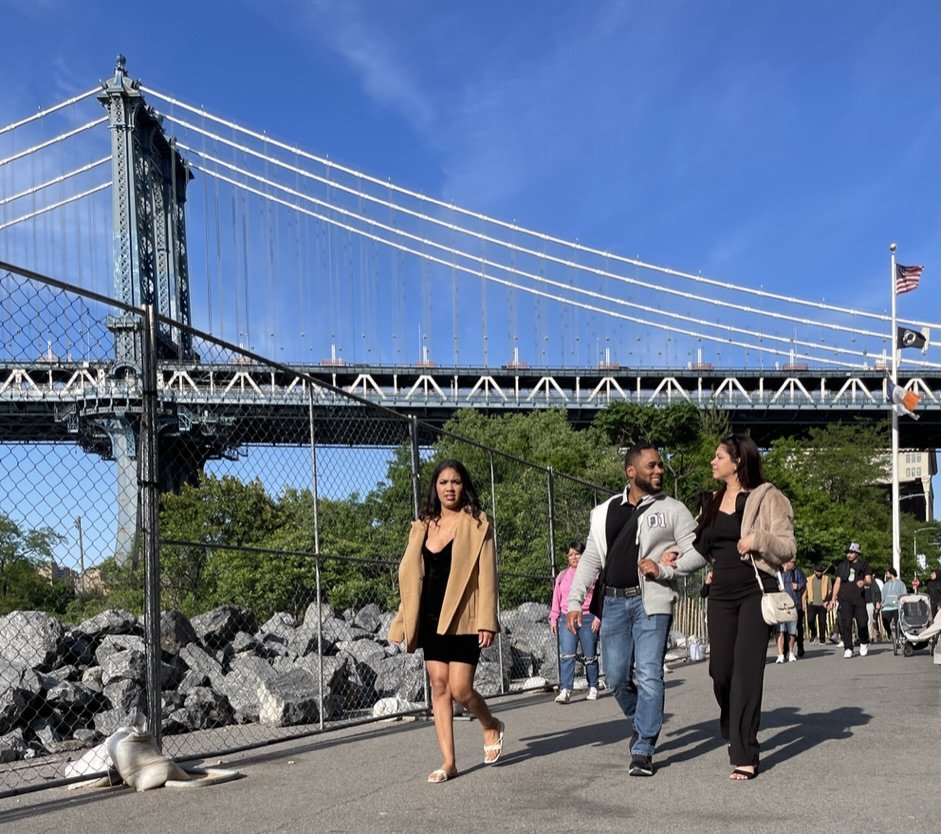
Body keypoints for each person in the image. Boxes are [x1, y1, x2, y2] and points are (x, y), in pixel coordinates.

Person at [656, 433, 796, 781]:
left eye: (719, 456)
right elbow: (701, 550)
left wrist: (757, 540)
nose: (712, 462)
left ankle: (745, 751)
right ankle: (733, 722)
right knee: (720, 672)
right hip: (720, 595)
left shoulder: (767, 497)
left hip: (754, 590)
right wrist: (670, 563)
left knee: (747, 672)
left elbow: (788, 549)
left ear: (737, 461)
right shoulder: (715, 501)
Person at [566, 443, 699, 777]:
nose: (659, 471)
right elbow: (592, 560)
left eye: (660, 466)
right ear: (631, 472)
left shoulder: (673, 509)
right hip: (611, 603)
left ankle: (644, 748)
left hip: (650, 602)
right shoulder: (604, 512)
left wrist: (665, 568)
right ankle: (642, 721)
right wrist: (573, 602)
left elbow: (697, 553)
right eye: (651, 466)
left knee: (649, 672)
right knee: (614, 676)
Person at [387, 459, 505, 783]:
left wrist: (487, 620)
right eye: (443, 483)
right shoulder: (423, 525)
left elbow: (487, 576)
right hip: (429, 617)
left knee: (461, 688)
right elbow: (412, 580)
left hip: (465, 616)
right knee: (439, 686)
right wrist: (401, 623)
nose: (449, 488)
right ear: (435, 488)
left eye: (455, 482)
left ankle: (490, 724)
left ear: (463, 486)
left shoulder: (479, 523)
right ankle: (448, 762)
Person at [549, 540, 600, 703]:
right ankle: (565, 689)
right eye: (570, 554)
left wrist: (598, 617)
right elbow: (556, 598)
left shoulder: (594, 574)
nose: (574, 557)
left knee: (590, 655)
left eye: (577, 554)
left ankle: (593, 686)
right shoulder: (562, 576)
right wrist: (553, 617)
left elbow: (600, 597)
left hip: (587, 617)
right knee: (567, 655)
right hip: (566, 617)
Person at [828, 543, 873, 658]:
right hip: (845, 598)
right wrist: (833, 598)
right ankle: (848, 647)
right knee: (846, 624)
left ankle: (863, 642)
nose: (849, 555)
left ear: (857, 553)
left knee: (862, 622)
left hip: (859, 598)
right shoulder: (842, 566)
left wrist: (864, 582)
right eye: (848, 553)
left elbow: (869, 580)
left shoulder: (864, 564)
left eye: (851, 552)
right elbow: (837, 582)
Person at [776, 559, 805, 662]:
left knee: (793, 630)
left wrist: (798, 586)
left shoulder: (797, 572)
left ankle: (793, 651)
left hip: (794, 604)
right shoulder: (778, 572)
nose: (794, 564)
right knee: (780, 630)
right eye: (793, 562)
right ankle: (781, 653)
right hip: (781, 606)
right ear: (786, 562)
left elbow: (803, 584)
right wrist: (777, 587)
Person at [805, 564, 832, 644]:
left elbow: (830, 590)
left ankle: (822, 639)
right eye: (818, 572)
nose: (819, 573)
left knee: (822, 622)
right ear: (814, 571)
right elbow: (805, 591)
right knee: (810, 620)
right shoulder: (809, 579)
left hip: (823, 603)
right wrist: (804, 601)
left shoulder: (826, 579)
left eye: (821, 571)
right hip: (812, 603)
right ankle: (814, 633)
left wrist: (828, 600)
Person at [880, 568, 906, 641]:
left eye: (887, 573)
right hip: (887, 606)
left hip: (897, 607)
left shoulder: (901, 583)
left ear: (891, 573)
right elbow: (883, 595)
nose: (886, 575)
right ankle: (889, 632)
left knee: (898, 623)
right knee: (885, 621)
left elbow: (904, 594)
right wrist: (881, 603)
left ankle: (898, 639)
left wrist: (902, 602)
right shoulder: (886, 584)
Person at [863, 573, 882, 642]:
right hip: (862, 604)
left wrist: (877, 602)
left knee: (871, 621)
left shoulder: (873, 583)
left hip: (870, 603)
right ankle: (866, 636)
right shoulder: (861, 582)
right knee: (864, 621)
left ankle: (871, 636)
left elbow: (877, 592)